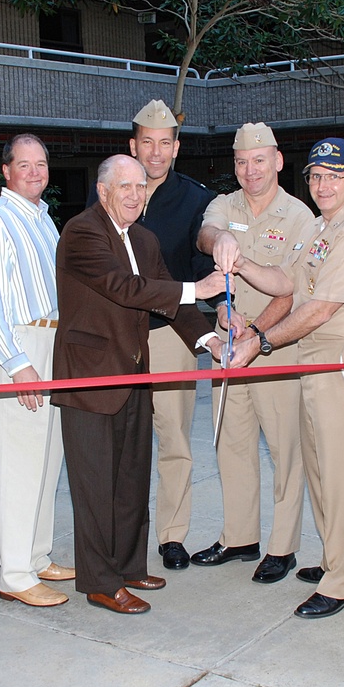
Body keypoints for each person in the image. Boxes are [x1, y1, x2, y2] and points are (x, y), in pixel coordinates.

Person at [52, 155, 226, 615]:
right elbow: (125, 288)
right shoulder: (82, 232)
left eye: (140, 188)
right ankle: (99, 582)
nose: (134, 194)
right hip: (90, 378)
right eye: (124, 186)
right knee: (95, 487)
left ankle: (128, 566)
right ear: (103, 190)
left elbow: (166, 295)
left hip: (134, 374)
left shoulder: (145, 238)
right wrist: (200, 288)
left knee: (131, 478)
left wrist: (209, 339)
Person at [223, 138, 344, 619]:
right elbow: (288, 282)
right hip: (316, 359)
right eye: (315, 176)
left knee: (340, 475)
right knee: (321, 472)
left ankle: (343, 584)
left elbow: (317, 310)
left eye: (334, 177)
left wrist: (261, 342)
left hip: (340, 356)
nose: (322, 185)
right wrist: (242, 265)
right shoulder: (323, 227)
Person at [86, 99, 220, 570]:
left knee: (173, 438)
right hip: (116, 336)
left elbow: (204, 266)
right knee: (119, 439)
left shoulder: (196, 199)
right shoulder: (106, 193)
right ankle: (122, 535)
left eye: (165, 143)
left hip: (169, 333)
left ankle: (172, 535)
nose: (156, 152)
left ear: (176, 148)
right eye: (147, 142)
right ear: (133, 145)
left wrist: (222, 312)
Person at [192, 122, 312, 583]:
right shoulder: (226, 204)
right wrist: (223, 305)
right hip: (231, 349)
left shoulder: (300, 215)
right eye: (241, 161)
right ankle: (239, 537)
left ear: (278, 162)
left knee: (286, 451)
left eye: (259, 160)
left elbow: (290, 291)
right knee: (231, 443)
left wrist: (254, 333)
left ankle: (283, 548)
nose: (250, 170)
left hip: (275, 349)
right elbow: (206, 234)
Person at [0, 134, 75, 608]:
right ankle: (14, 573)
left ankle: (37, 556)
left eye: (41, 164)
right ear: (6, 171)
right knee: (18, 464)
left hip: (51, 342)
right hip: (22, 348)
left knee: (47, 459)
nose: (35, 172)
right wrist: (18, 365)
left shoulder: (43, 219)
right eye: (25, 165)